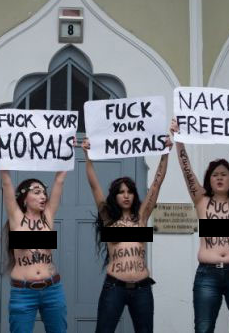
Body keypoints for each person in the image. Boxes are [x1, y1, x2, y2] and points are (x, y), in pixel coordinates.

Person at [174, 116, 229, 333]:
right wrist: (179, 141)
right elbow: (187, 171)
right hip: (208, 275)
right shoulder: (201, 200)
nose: (220, 178)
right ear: (209, 180)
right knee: (203, 329)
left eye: (224, 174)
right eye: (215, 175)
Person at [81, 129, 172, 333]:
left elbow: (156, 184)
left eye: (130, 191)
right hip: (114, 286)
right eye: (121, 192)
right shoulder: (108, 219)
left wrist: (165, 153)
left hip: (142, 288)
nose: (126, 195)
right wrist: (87, 156)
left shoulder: (141, 217)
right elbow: (94, 187)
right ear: (115, 196)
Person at [0, 136, 68, 333]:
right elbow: (6, 182)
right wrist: (0, 151)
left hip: (52, 289)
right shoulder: (16, 218)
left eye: (44, 192)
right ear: (24, 198)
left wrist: (67, 147)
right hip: (23, 292)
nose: (43, 196)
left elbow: (60, 179)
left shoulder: (48, 217)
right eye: (37, 192)